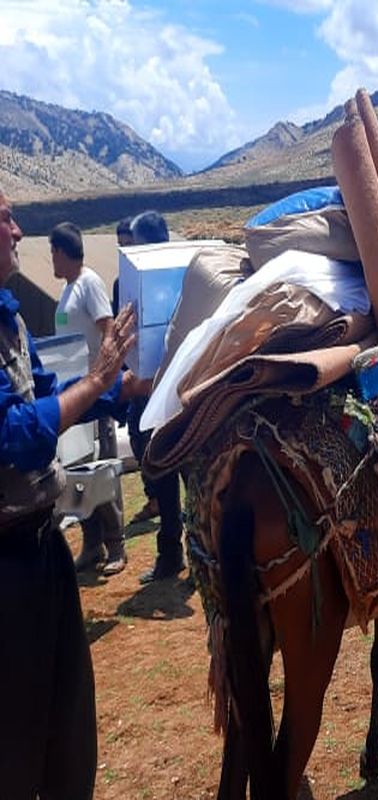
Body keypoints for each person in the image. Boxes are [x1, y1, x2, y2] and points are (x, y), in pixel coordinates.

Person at [1, 186, 136, 796]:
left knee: (69, 728)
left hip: (42, 546)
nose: (16, 232)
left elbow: (49, 390)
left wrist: (122, 388)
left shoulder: (7, 318)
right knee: (17, 743)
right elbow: (14, 434)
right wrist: (99, 381)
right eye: (3, 218)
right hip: (7, 570)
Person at [50, 221, 127, 575]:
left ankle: (116, 545)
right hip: (73, 396)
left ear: (64, 252)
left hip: (95, 394)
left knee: (100, 469)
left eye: (53, 251)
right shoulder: (67, 290)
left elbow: (107, 328)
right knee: (77, 469)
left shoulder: (89, 283)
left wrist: (103, 375)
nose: (51, 258)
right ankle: (92, 543)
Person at [124, 211, 186, 583]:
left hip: (169, 393)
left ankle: (177, 555)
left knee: (178, 479)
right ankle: (176, 554)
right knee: (173, 480)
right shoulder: (180, 280)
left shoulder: (166, 283)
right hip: (162, 393)